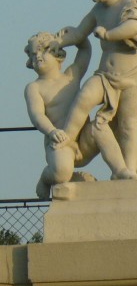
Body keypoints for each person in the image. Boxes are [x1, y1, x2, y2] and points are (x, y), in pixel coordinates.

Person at [55, 0, 137, 180]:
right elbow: (80, 32)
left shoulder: (130, 4)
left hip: (133, 76)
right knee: (84, 97)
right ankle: (67, 139)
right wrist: (60, 41)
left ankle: (129, 170)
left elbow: (133, 26)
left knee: (128, 125)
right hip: (104, 75)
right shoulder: (98, 11)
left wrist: (109, 34)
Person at [23, 32, 98, 198]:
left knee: (104, 127)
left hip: (84, 139)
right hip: (59, 143)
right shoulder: (34, 88)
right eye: (33, 54)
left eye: (43, 51)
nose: (38, 58)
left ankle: (122, 171)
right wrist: (52, 132)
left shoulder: (72, 75)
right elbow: (37, 115)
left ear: (57, 53)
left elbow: (85, 49)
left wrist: (73, 35)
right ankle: (46, 177)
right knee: (61, 173)